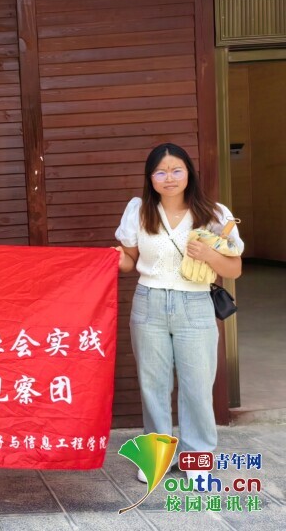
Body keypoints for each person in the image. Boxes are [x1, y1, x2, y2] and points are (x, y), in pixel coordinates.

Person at [114, 143, 243, 484]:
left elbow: (235, 268)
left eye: (176, 170)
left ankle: (196, 457)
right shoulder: (139, 211)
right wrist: (115, 258)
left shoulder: (214, 214)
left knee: (197, 386)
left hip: (196, 304)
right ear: (150, 177)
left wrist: (209, 255)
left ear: (188, 173)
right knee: (152, 385)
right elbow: (129, 261)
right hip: (149, 302)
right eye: (160, 171)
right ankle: (156, 458)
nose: (168, 178)